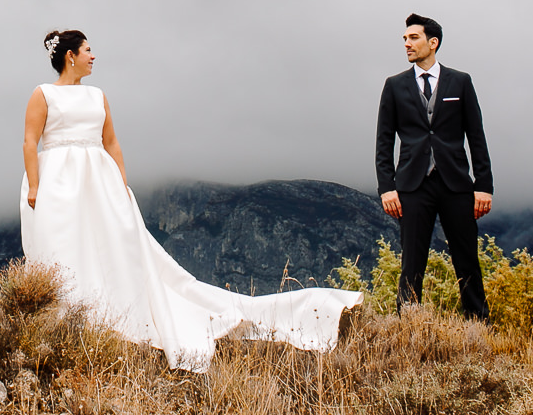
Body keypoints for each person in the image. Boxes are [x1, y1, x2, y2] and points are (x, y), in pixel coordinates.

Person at [20, 29, 360, 370]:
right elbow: (30, 141)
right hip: (60, 181)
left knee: (115, 248)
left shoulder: (98, 96)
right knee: (65, 245)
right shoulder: (44, 94)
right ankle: (66, 319)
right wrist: (35, 187)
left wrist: (121, 185)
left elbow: (112, 143)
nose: (94, 56)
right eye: (88, 50)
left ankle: (114, 313)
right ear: (71, 56)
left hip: (100, 181)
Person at [374, 13, 493, 320]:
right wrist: (387, 188)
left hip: (456, 184)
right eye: (405, 39)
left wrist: (484, 186)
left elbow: (476, 137)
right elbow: (384, 142)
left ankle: (478, 327)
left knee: (467, 259)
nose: (407, 44)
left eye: (413, 38)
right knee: (412, 262)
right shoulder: (395, 86)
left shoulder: (461, 82)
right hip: (413, 186)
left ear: (433, 42)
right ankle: (408, 329)